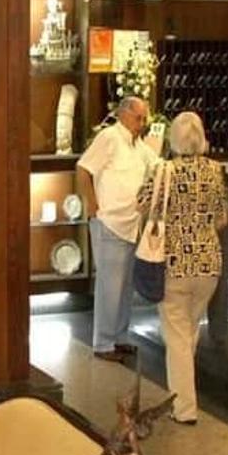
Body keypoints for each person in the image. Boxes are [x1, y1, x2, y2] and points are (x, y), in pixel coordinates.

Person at [137, 111, 228, 425]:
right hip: (209, 264)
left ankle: (184, 409)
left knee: (177, 336)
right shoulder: (215, 170)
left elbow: (141, 205)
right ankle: (181, 391)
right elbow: (222, 218)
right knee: (188, 330)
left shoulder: (164, 170)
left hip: (173, 264)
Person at [77, 96, 160, 363]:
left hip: (132, 224)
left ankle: (120, 337)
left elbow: (158, 165)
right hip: (109, 222)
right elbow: (83, 169)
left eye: (144, 118)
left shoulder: (139, 145)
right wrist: (93, 207)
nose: (142, 123)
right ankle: (103, 343)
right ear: (124, 115)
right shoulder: (109, 137)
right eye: (138, 118)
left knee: (125, 287)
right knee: (109, 286)